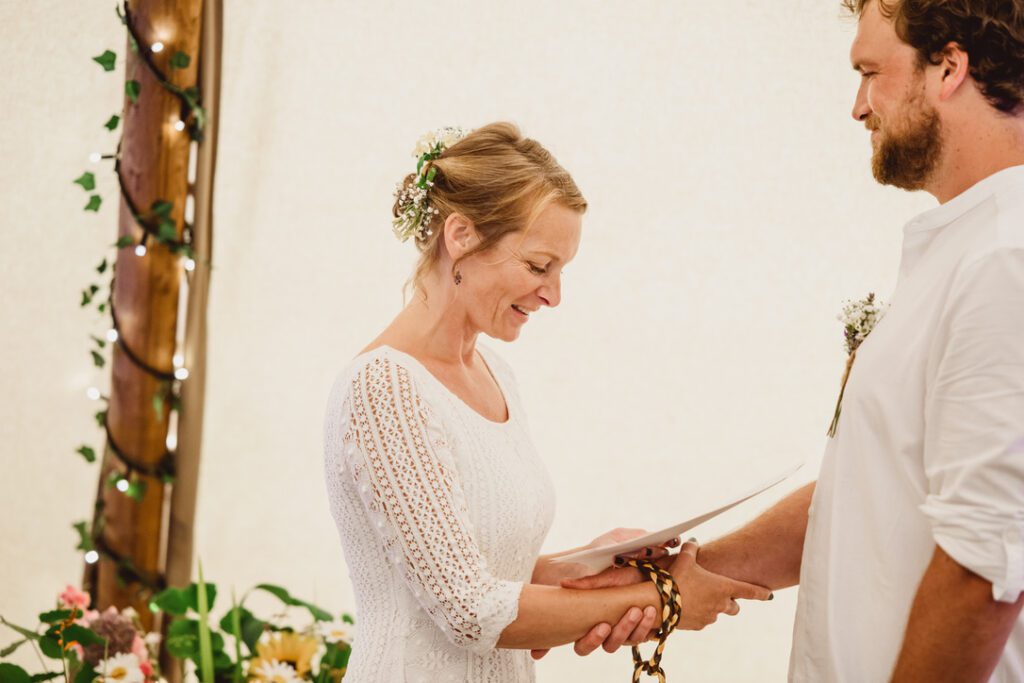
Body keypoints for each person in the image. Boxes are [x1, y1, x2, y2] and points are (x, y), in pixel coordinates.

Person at [567, 1, 1024, 679]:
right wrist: (683, 572)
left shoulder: (1003, 258)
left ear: (949, 68)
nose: (858, 106)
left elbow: (983, 562)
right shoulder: (961, 249)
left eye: (871, 72)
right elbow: (869, 490)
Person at [322, 122, 773, 682]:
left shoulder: (497, 375)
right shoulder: (384, 387)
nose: (553, 295)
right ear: (460, 235)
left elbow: (487, 571)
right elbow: (468, 611)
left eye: (560, 272)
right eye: (539, 266)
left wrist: (593, 565)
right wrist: (667, 602)